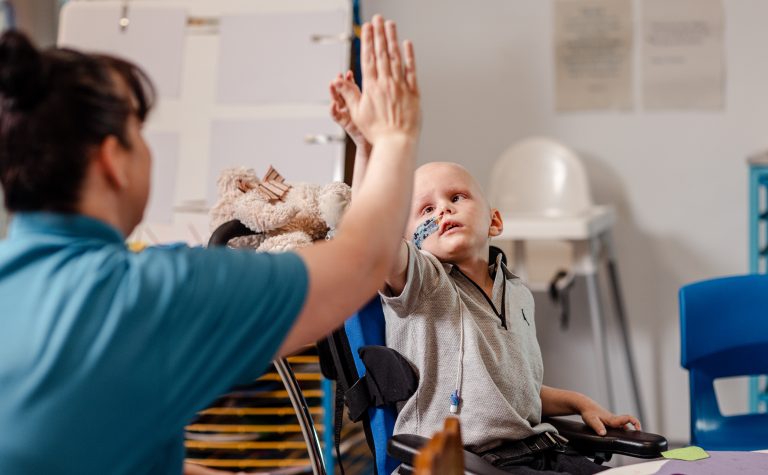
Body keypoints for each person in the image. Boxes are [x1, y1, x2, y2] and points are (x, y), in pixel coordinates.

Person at [0, 15, 419, 475]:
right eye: (139, 132)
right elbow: (361, 260)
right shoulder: (146, 294)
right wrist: (393, 136)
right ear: (111, 160)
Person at [331, 90, 640, 475]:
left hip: (535, 451)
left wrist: (578, 401)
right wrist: (365, 148)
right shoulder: (424, 283)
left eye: (456, 197)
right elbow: (370, 238)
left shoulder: (518, 295)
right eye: (426, 209)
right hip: (462, 464)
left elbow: (509, 392)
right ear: (409, 239)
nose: (443, 210)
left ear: (494, 221)